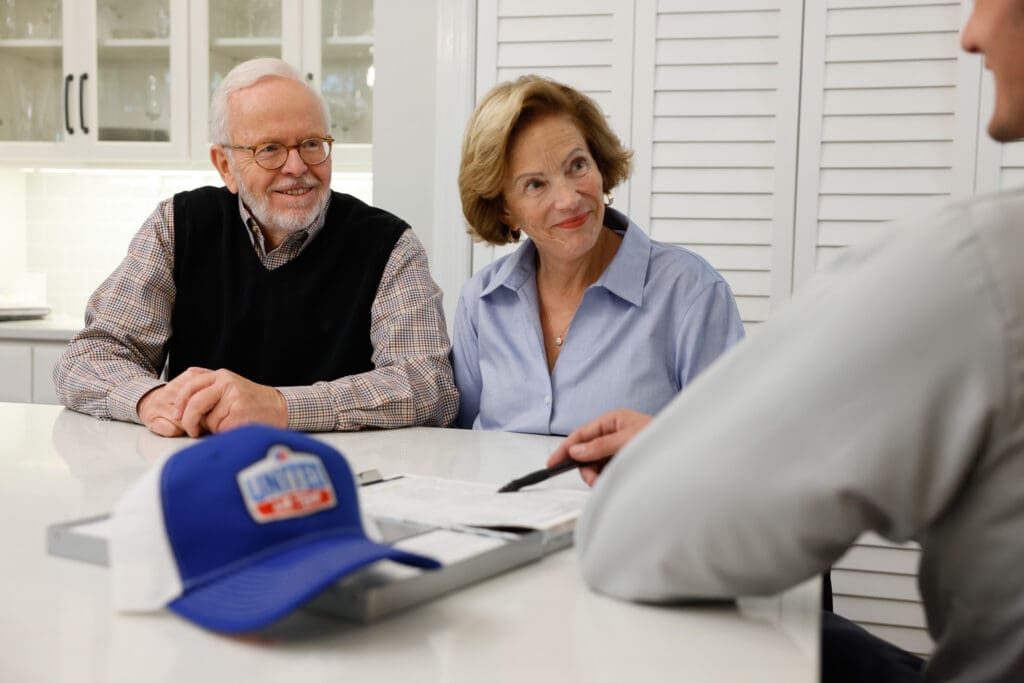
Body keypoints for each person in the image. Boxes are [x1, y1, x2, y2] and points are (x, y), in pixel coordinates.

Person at [549, 1, 1024, 680]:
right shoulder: (481, 302)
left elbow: (629, 539)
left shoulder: (981, 268)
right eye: (534, 183)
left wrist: (666, 447)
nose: (970, 34)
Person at [53, 58, 458, 438]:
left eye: (312, 144)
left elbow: (428, 385)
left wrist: (281, 406)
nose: (297, 167)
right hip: (204, 471)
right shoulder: (177, 226)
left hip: (341, 478)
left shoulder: (388, 245)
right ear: (225, 165)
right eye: (270, 149)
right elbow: (90, 355)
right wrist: (149, 398)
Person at [452, 75, 744, 435]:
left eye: (577, 165)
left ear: (600, 165)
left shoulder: (691, 292)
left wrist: (656, 442)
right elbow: (457, 446)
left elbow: (738, 449)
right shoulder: (480, 303)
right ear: (504, 211)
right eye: (535, 184)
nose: (570, 199)